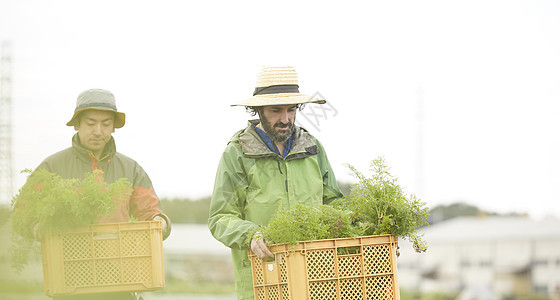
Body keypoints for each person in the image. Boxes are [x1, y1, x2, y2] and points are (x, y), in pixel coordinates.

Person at [208, 66, 343, 299]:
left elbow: (334, 206)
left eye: (292, 110)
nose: (285, 119)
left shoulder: (313, 148)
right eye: (276, 110)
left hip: (316, 279)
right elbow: (220, 218)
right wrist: (251, 235)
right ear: (259, 110)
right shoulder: (237, 154)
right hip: (261, 279)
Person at [31, 89, 171, 300]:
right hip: (69, 280)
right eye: (90, 123)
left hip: (119, 279)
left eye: (106, 124)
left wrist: (161, 222)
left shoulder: (130, 169)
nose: (98, 131)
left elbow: (149, 212)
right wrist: (37, 227)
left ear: (114, 127)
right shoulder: (52, 166)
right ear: (76, 124)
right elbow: (24, 212)